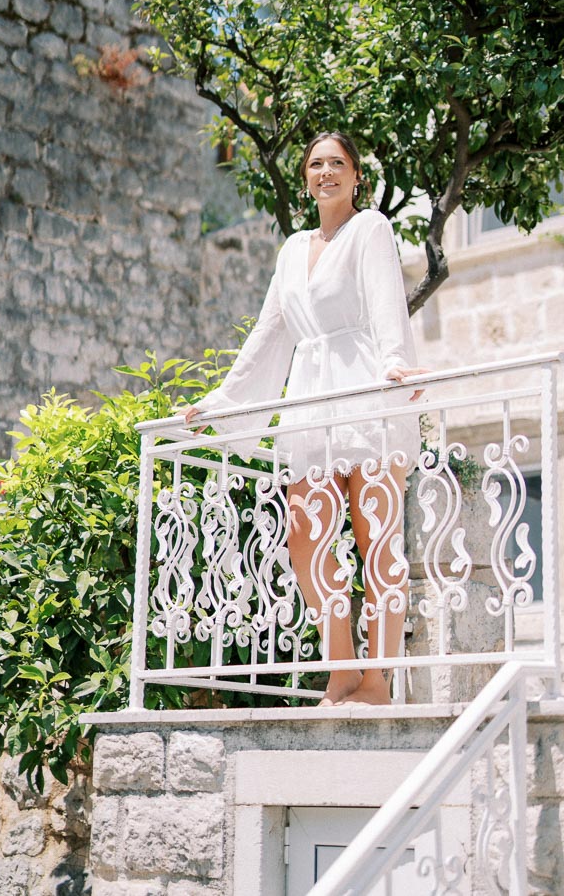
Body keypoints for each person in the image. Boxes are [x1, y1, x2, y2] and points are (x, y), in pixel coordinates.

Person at [184, 130, 426, 706]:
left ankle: (378, 677)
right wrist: (223, 400)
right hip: (311, 399)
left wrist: (396, 364)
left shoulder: (371, 229)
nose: (326, 172)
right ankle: (341, 669)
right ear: (306, 179)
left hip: (365, 391)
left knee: (377, 541)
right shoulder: (292, 249)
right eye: (316, 164)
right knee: (306, 540)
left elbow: (389, 300)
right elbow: (271, 332)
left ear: (356, 175)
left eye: (337, 163)